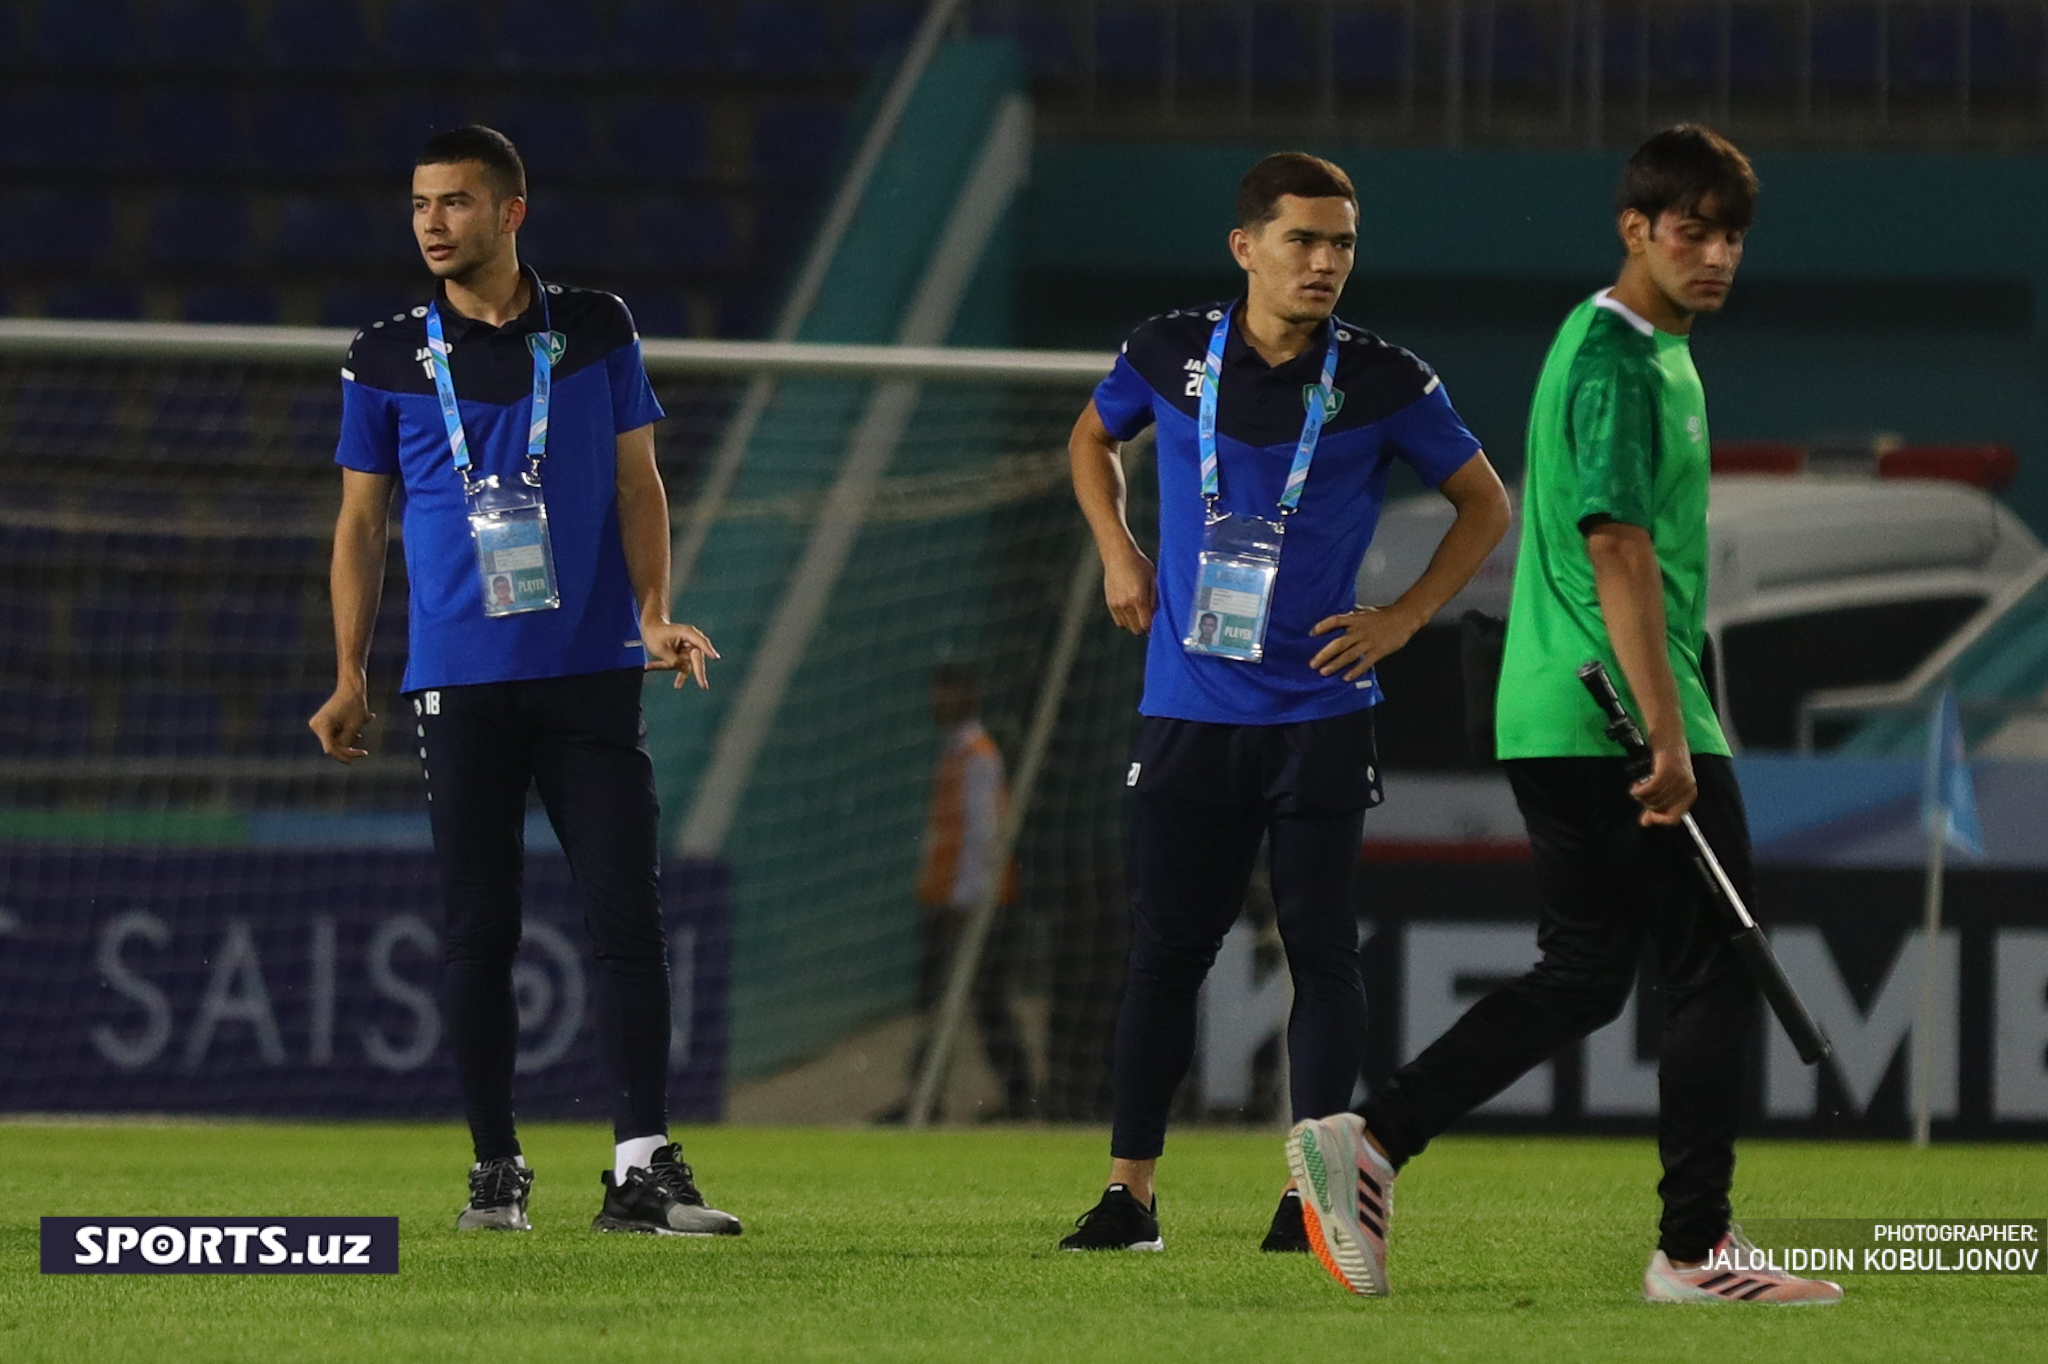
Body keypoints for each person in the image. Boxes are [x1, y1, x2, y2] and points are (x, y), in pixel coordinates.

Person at [1286, 126, 1842, 1304]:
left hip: (1558, 708)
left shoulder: (1650, 354)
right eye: (1690, 230)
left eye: (1729, 236)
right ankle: (1692, 1249)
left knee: (1588, 969)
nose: (1713, 255)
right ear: (1633, 227)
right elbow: (1613, 546)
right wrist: (1664, 731)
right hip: (1615, 713)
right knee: (1708, 969)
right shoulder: (1616, 359)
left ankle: (1370, 1138)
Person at [1061, 152, 1509, 1253]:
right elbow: (1087, 436)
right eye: (1303, 240)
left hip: (1316, 709)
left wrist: (1403, 617)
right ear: (1244, 247)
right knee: (1165, 953)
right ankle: (1130, 1196)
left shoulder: (1386, 378)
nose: (1323, 262)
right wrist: (1116, 549)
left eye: (1342, 243)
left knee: (1319, 947)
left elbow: (1483, 503)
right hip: (1187, 704)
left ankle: (1312, 1191)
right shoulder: (1167, 351)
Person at [309, 125, 740, 1238]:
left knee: (624, 918)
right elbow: (360, 526)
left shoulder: (595, 330)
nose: (431, 224)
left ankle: (639, 1167)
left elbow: (640, 485)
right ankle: (495, 1168)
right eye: (417, 205)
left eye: (453, 202)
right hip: (458, 683)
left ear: (511, 212)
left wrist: (652, 613)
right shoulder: (386, 355)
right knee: (476, 929)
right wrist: (350, 671)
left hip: (591, 669)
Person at [892, 663, 1032, 1121]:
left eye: (946, 692)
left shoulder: (978, 755)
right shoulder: (959, 753)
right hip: (950, 900)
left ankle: (1016, 1095)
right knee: (946, 1001)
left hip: (971, 904)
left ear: (967, 695)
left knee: (980, 1001)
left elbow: (984, 837)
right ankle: (924, 1098)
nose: (938, 702)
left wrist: (967, 904)